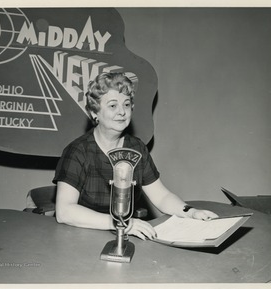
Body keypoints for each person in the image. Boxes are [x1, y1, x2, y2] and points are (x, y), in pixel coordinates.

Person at [53, 72, 218, 240]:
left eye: (126, 104)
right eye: (112, 106)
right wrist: (121, 224)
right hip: (81, 235)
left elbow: (162, 196)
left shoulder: (137, 148)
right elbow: (64, 211)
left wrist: (190, 212)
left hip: (125, 232)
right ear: (95, 113)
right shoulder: (78, 151)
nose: (122, 112)